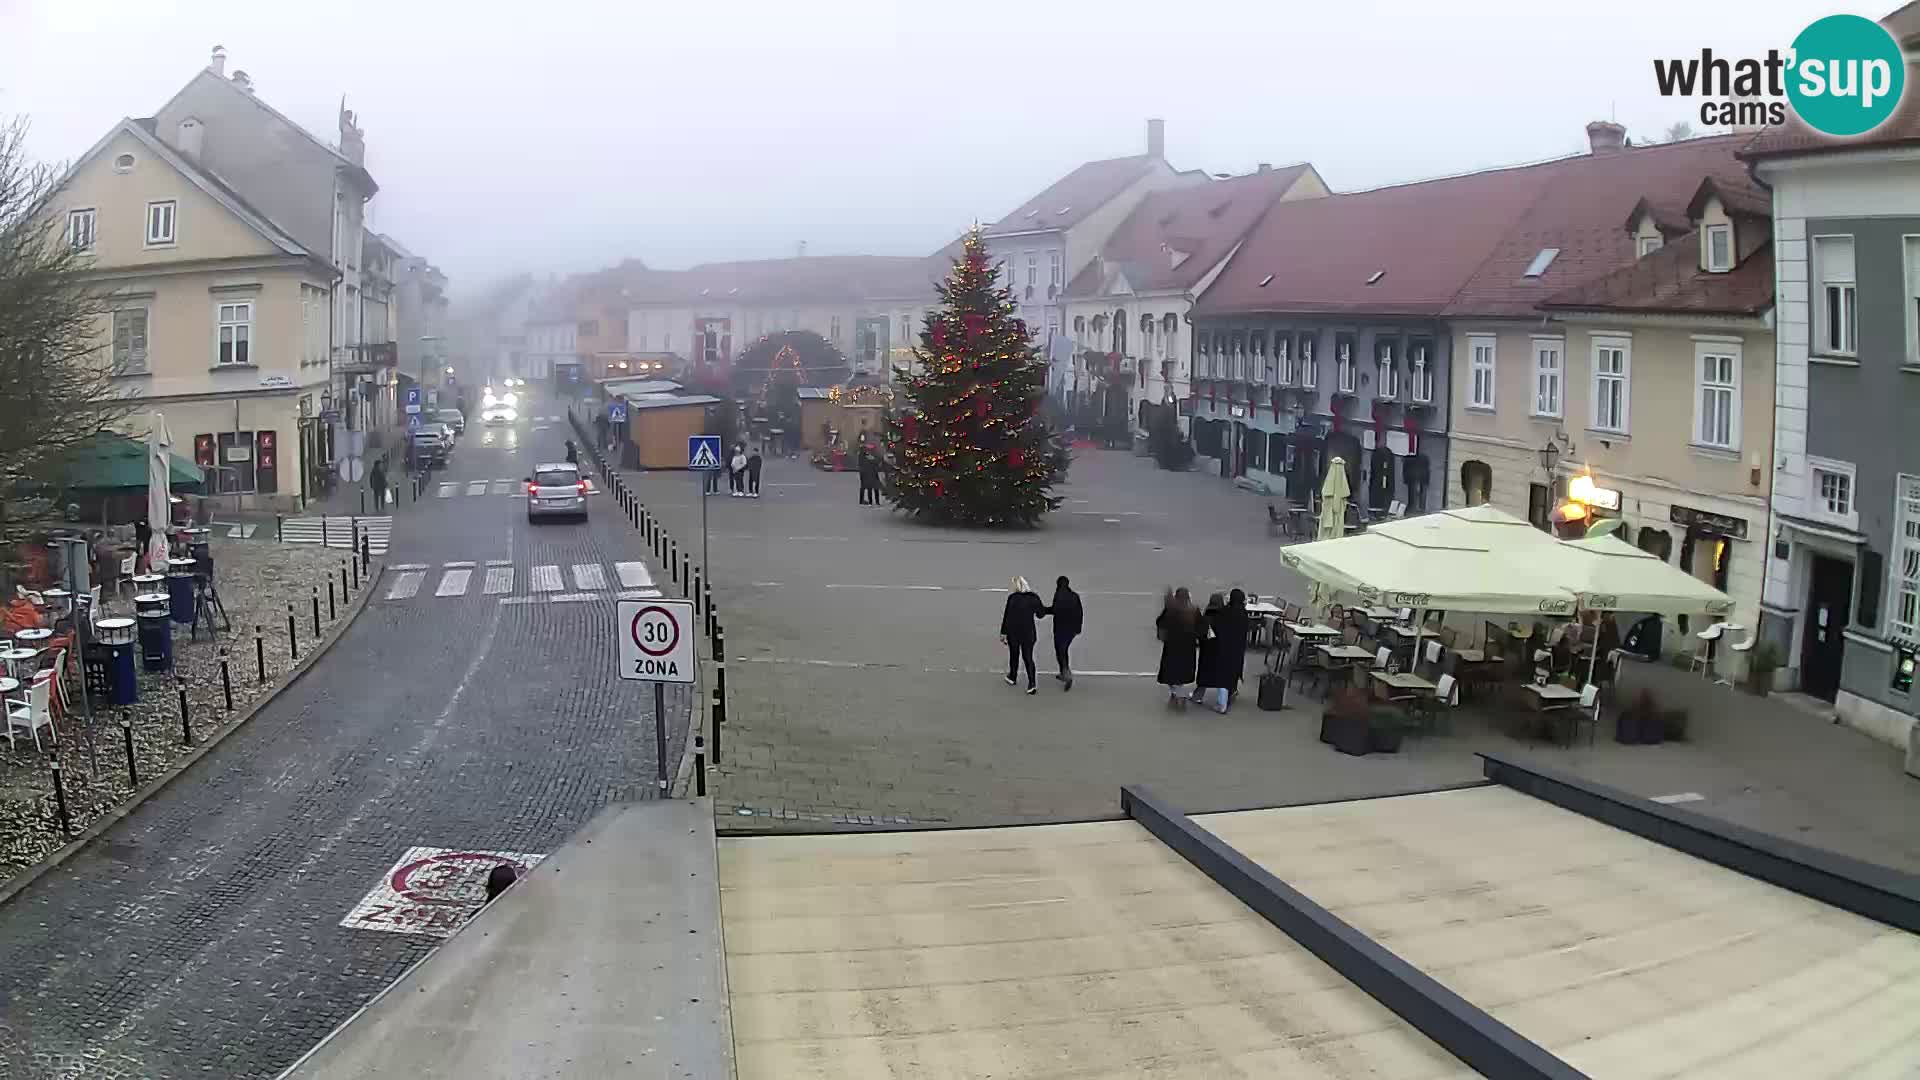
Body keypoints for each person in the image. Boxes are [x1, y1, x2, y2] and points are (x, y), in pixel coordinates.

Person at [1155, 588, 1207, 710]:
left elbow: (1160, 622)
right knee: (1182, 672)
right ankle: (1178, 693)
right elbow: (1202, 627)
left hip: (1172, 646)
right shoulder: (1193, 610)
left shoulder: (1171, 610)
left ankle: (1176, 693)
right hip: (1188, 647)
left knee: (1170, 672)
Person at [999, 576, 1046, 695]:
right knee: (1028, 658)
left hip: (1014, 633)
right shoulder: (1034, 597)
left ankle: (1012, 677)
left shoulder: (1012, 598)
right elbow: (1040, 614)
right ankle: (1032, 684)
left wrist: (1003, 633)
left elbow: (1007, 617)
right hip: (1028, 633)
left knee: (1014, 656)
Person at [1046, 575, 1083, 691]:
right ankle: (1064, 672)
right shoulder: (1074, 596)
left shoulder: (1059, 595)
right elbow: (1080, 612)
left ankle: (1066, 674)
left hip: (1060, 629)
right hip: (1071, 630)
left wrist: (1043, 610)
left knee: (1060, 652)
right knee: (1064, 650)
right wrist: (1078, 628)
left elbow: (1055, 610)